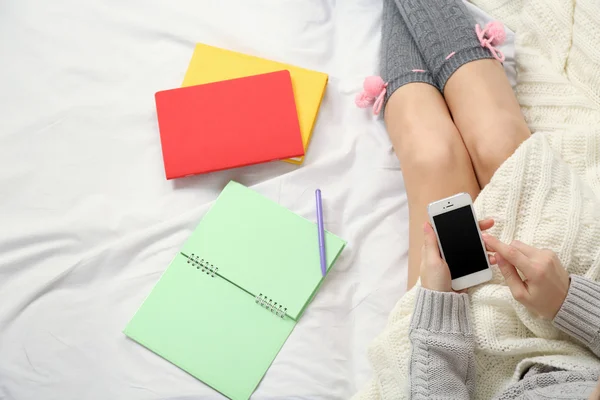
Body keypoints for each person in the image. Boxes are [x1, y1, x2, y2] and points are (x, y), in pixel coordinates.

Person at [356, 0, 600, 398]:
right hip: (577, 317)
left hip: (460, 358)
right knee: (496, 138)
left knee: (432, 156)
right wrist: (569, 300)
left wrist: (437, 301)